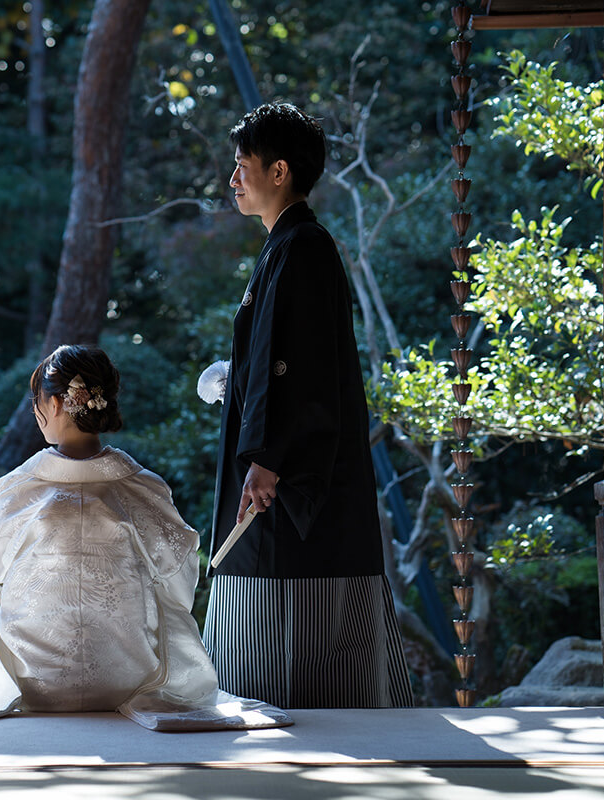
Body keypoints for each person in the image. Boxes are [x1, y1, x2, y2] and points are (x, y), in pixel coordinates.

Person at [0, 344, 291, 731]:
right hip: (128, 678)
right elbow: (178, 572)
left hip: (34, 681)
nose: (36, 410)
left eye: (38, 401)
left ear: (58, 404)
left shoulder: (19, 489)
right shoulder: (141, 488)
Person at [201, 102, 414, 708]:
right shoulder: (288, 246)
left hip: (289, 474)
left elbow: (300, 366)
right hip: (282, 463)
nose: (233, 179)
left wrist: (267, 458)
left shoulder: (304, 246)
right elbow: (274, 358)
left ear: (279, 172)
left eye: (242, 166)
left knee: (291, 632)